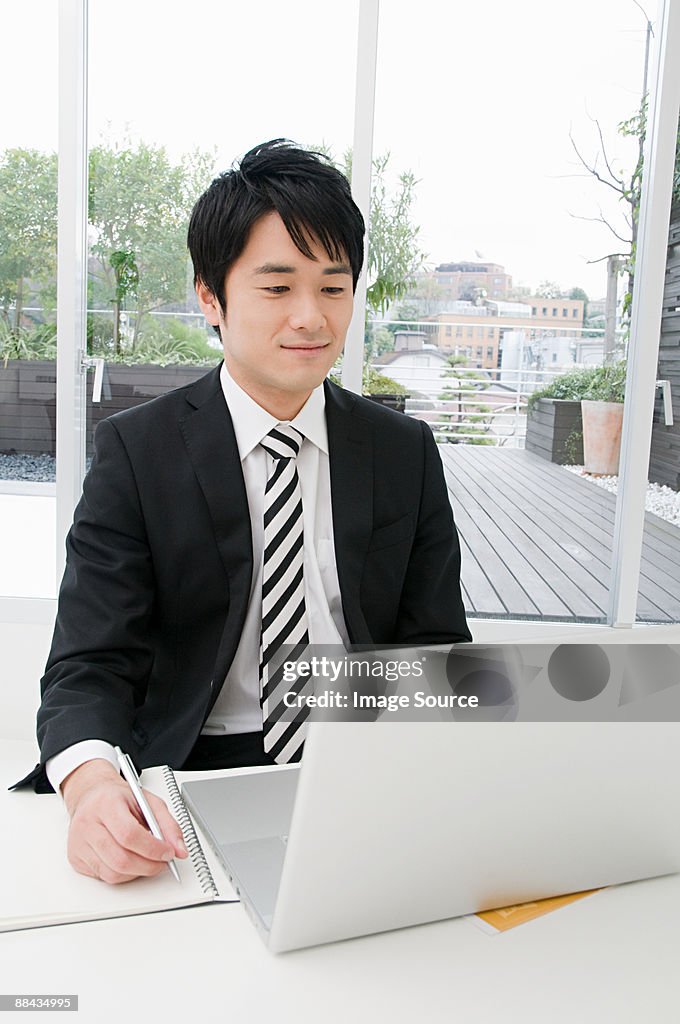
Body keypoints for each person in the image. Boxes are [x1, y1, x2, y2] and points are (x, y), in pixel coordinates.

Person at [18, 139, 471, 883]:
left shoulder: (404, 450)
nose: (311, 317)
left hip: (359, 772)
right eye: (276, 287)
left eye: (334, 287)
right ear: (210, 295)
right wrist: (93, 787)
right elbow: (88, 665)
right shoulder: (138, 451)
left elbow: (436, 649)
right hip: (191, 772)